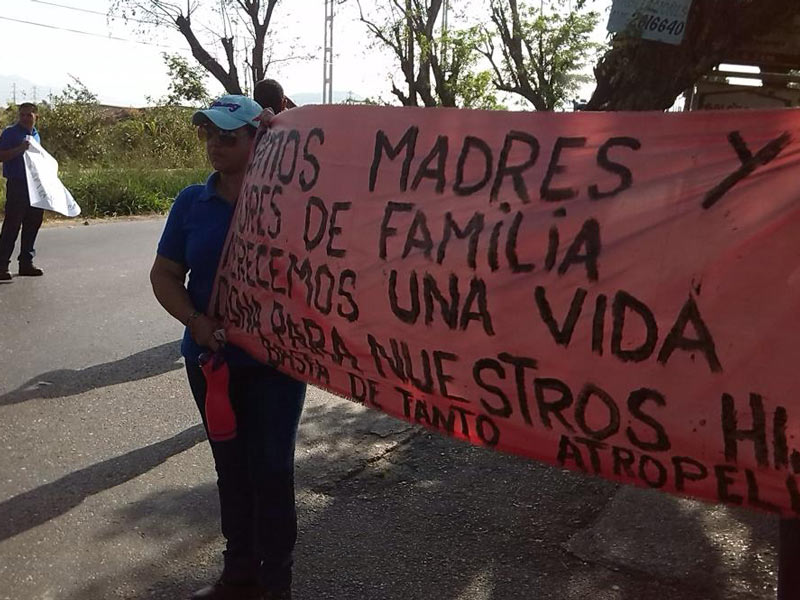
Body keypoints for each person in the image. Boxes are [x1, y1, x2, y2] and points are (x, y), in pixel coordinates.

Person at [149, 94, 306, 600]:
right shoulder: (191, 202)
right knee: (231, 469)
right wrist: (194, 320)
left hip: (276, 364)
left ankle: (275, 581)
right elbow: (166, 274)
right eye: (209, 133)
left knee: (273, 470)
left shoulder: (292, 200)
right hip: (212, 365)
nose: (216, 143)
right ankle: (238, 570)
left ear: (258, 139)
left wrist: (282, 128)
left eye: (229, 135)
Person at [0, 102, 44, 281]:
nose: (25, 118)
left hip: (35, 187)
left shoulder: (35, 134)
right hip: (17, 185)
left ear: (36, 116)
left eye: (29, 115)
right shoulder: (11, 132)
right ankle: (1, 265)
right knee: (12, 226)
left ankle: (26, 263)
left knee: (33, 224)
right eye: (22, 115)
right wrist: (19, 149)